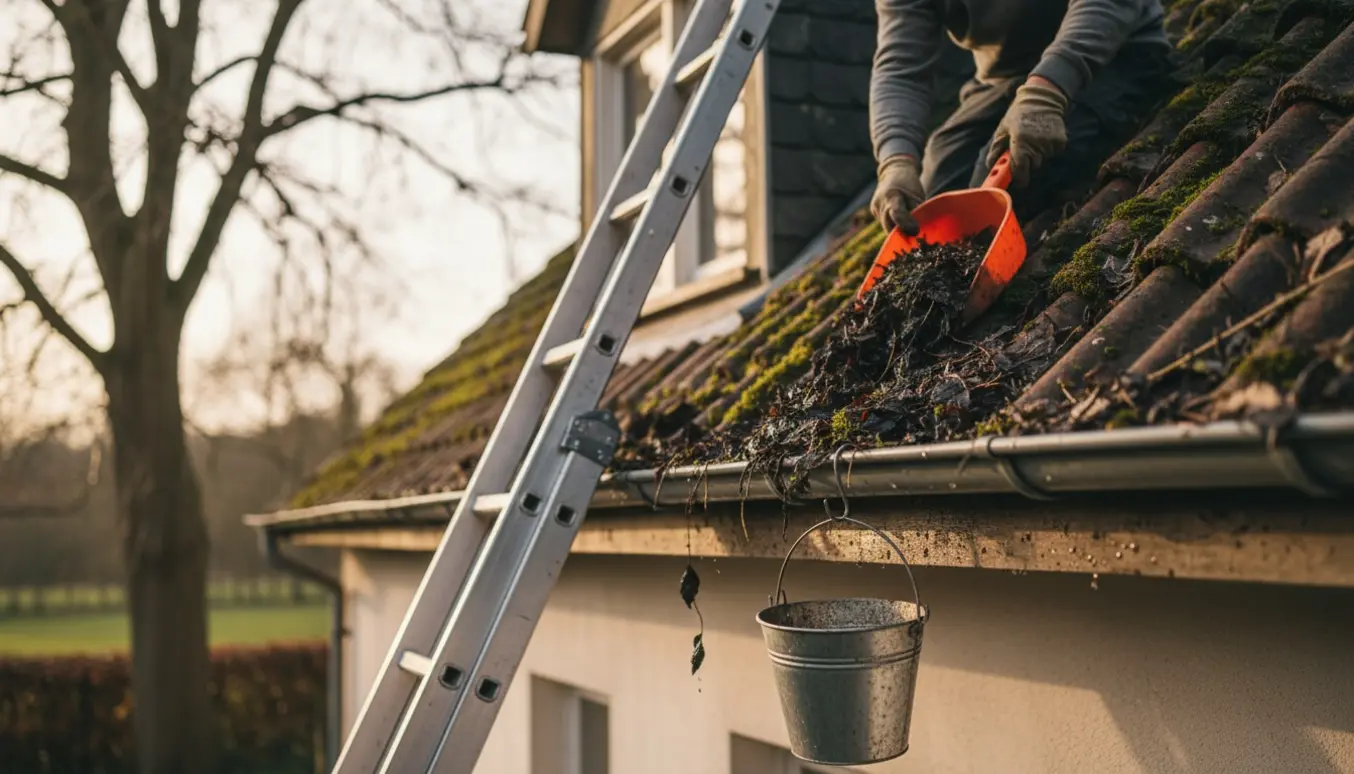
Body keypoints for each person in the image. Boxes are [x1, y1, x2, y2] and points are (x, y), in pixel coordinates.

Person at [870, 0, 1177, 234]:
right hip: (1005, 77)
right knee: (936, 208)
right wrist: (895, 161)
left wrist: (1047, 92)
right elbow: (900, 69)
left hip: (1117, 51)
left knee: (998, 192)